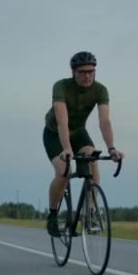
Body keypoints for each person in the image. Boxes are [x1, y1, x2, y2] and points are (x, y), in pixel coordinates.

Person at [43, 51, 124, 237]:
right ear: (73, 72)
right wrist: (66, 149)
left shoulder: (100, 90)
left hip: (79, 132)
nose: (87, 75)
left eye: (91, 71)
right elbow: (62, 121)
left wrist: (112, 148)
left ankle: (90, 213)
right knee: (63, 172)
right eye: (82, 72)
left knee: (92, 155)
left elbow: (105, 121)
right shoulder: (61, 86)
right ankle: (53, 215)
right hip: (54, 133)